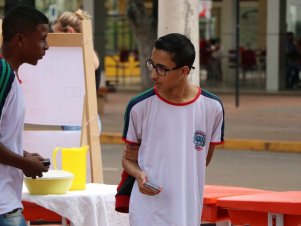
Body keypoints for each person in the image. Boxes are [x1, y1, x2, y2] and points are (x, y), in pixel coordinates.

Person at [115, 33, 225, 226]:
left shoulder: (212, 107)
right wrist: (139, 175)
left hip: (188, 211)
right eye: (152, 64)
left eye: (162, 69)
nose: (153, 74)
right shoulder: (139, 106)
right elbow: (128, 159)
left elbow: (203, 159)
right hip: (147, 212)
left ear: (184, 71)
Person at [0, 5, 50, 226]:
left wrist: (24, 154)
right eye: (42, 39)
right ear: (20, 39)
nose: (46, 47)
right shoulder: (2, 74)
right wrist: (24, 164)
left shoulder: (10, 75)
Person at [52, 9, 102, 132]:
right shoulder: (85, 52)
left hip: (78, 121)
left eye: (56, 36)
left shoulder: (83, 55)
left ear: (69, 32)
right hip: (82, 119)